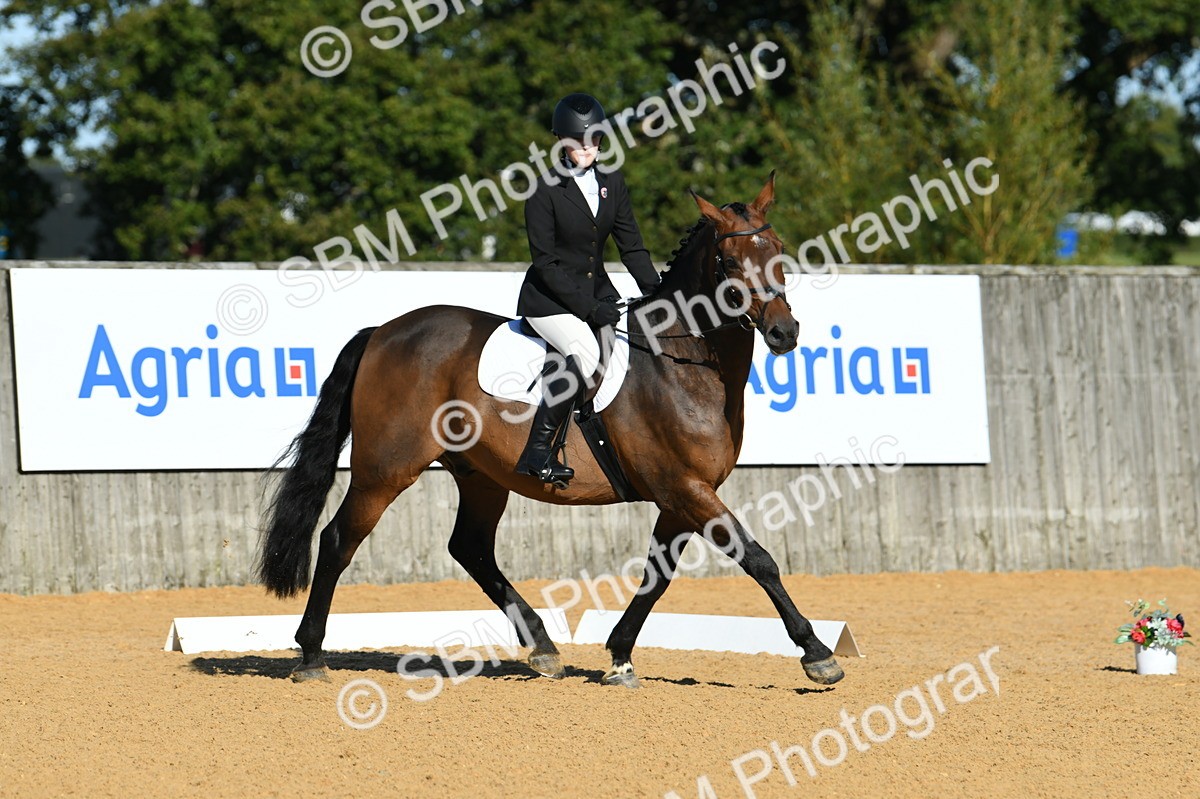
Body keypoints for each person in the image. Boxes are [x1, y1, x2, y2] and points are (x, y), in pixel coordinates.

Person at [515, 92, 661, 485]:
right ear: (561, 141)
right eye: (579, 141)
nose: (588, 148)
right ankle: (537, 452)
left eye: (595, 140)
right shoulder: (543, 189)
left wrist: (659, 291)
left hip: (597, 294)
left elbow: (632, 247)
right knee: (583, 352)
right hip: (549, 300)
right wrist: (589, 308)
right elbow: (546, 264)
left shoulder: (611, 182)